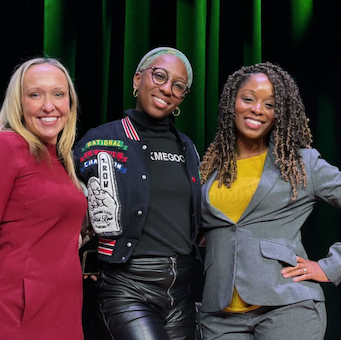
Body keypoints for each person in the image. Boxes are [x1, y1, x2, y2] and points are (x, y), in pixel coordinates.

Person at [199, 61, 341, 340]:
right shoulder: (210, 168)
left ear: (281, 113)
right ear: (232, 103)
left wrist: (331, 267)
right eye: (248, 99)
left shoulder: (301, 163)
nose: (257, 110)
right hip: (219, 316)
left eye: (270, 105)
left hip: (288, 307)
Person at [74, 46, 202, 340]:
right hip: (126, 285)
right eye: (159, 75)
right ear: (136, 80)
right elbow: (64, 201)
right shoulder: (100, 140)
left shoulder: (189, 148)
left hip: (181, 288)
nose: (167, 88)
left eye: (178, 86)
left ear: (182, 98)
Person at [0, 57, 87, 340]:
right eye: (35, 95)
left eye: (58, 94)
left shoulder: (61, 160)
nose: (48, 105)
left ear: (70, 102)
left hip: (64, 314)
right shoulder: (3, 147)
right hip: (16, 317)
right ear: (19, 103)